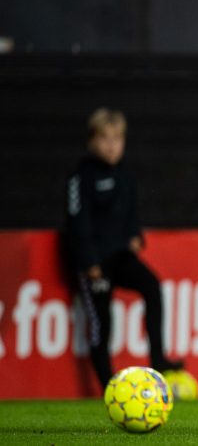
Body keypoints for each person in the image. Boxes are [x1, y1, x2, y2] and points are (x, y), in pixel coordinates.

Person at [62, 108, 182, 389]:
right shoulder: (81, 177)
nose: (112, 145)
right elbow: (77, 222)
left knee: (152, 287)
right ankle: (109, 385)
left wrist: (135, 236)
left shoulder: (125, 175)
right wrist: (89, 262)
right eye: (105, 139)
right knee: (102, 322)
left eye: (117, 139)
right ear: (92, 141)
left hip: (120, 256)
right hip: (94, 262)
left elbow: (130, 215)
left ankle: (158, 360)